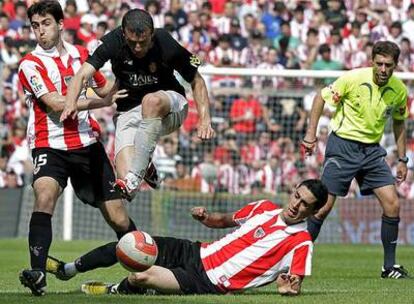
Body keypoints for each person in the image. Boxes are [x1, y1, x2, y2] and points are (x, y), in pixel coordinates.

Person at [17, 1, 138, 296]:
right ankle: (38, 274)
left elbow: (103, 89)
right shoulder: (29, 64)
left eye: (45, 23)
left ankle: (144, 267)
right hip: (50, 143)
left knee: (119, 218)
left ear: (60, 24)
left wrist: (124, 71)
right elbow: (58, 105)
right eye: (35, 25)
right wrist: (102, 102)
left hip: (86, 144)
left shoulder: (82, 56)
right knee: (44, 194)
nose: (40, 31)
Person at [72, 179, 328, 296]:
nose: (296, 205)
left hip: (208, 280)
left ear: (314, 211)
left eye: (305, 204)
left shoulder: (301, 241)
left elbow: (294, 283)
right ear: (293, 191)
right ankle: (70, 268)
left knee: (140, 275)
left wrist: (287, 289)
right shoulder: (264, 207)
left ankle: (114, 290)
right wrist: (206, 217)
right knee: (134, 241)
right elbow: (225, 220)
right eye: (297, 196)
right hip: (195, 251)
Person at [60, 8, 215, 201]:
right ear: (123, 34)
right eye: (132, 43)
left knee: (150, 101)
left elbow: (197, 80)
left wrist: (205, 120)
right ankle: (144, 166)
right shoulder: (111, 42)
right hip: (128, 110)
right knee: (125, 186)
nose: (138, 48)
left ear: (152, 33)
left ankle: (137, 173)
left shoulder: (165, 42)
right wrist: (70, 104)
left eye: (143, 42)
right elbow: (82, 74)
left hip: (169, 106)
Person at [302, 40, 410, 279]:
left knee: (392, 203)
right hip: (342, 146)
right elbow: (320, 98)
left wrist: (403, 159)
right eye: (379, 64)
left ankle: (389, 267)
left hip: (372, 151)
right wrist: (310, 135)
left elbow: (400, 121)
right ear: (372, 61)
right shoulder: (352, 79)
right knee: (323, 207)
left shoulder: (399, 90)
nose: (383, 69)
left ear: (395, 65)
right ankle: (296, 259)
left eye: (388, 65)